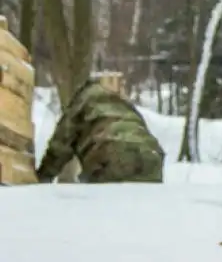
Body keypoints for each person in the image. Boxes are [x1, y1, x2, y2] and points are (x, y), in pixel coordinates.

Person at [36, 79, 165, 184]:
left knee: (105, 210)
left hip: (111, 154)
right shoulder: (123, 104)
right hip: (151, 157)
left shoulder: (82, 100)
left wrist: (42, 177)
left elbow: (61, 144)